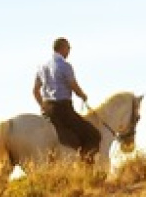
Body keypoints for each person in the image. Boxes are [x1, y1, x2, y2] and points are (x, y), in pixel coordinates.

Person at [35, 36, 102, 164]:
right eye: (68, 48)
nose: (69, 51)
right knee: (93, 135)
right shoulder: (65, 66)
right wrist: (82, 95)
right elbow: (73, 85)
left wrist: (42, 106)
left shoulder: (42, 67)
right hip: (63, 110)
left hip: (47, 110)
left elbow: (35, 90)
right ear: (63, 48)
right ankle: (86, 169)